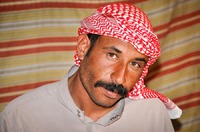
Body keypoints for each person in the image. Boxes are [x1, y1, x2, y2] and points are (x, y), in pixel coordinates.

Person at [0, 3, 182, 132]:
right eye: (112, 55)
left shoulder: (151, 112)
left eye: (135, 64)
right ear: (83, 47)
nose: (120, 78)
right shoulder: (20, 118)